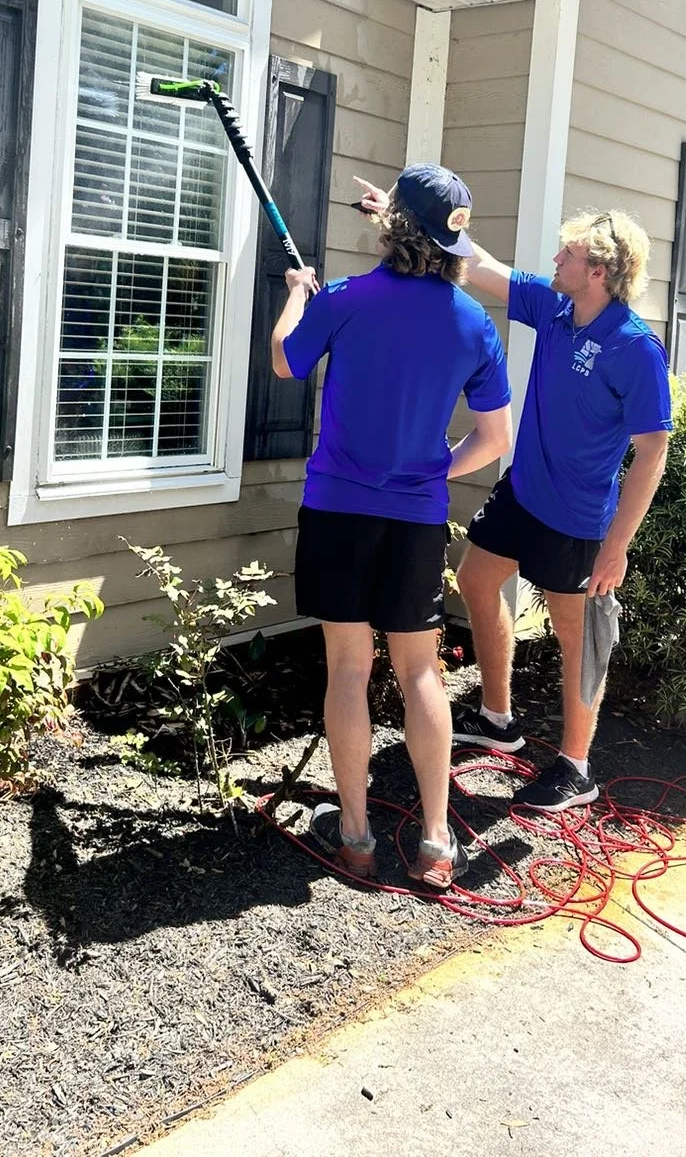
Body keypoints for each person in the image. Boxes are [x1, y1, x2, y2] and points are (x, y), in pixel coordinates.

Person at [272, 165, 512, 890]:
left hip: (338, 513)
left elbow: (287, 360)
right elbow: (494, 437)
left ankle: (354, 835)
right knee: (419, 673)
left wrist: (295, 300)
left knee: (348, 667)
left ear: (391, 225)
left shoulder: (343, 298)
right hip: (414, 521)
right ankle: (438, 841)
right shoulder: (474, 323)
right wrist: (436, 470)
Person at [439, 208, 673, 813]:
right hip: (524, 491)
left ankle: (575, 766)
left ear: (597, 270)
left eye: (566, 256)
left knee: (579, 640)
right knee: (475, 578)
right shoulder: (555, 308)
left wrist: (616, 546)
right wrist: (412, 215)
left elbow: (652, 453)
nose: (555, 263)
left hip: (576, 518)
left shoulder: (635, 347)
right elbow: (482, 265)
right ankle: (498, 719)